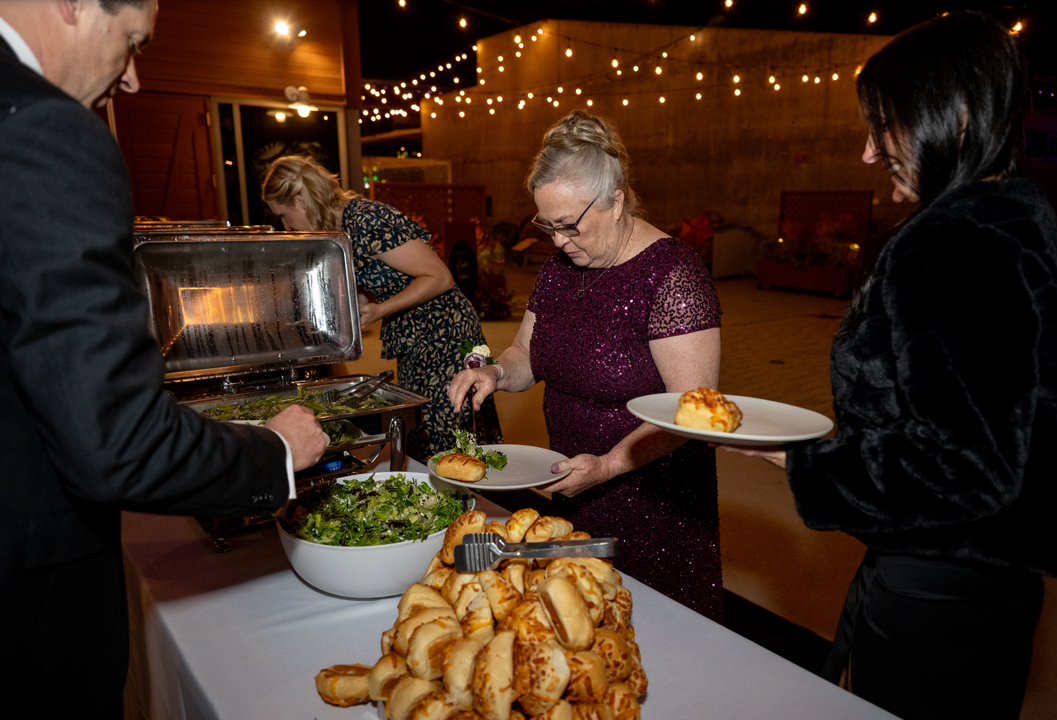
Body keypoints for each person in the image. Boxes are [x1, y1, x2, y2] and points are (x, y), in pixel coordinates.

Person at [728, 12, 1057, 719]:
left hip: (941, 593)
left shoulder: (954, 241)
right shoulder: (1014, 215)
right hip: (989, 581)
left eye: (882, 126)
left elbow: (966, 469)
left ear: (950, 118)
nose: (867, 153)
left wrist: (796, 460)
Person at [0, 1, 328, 717]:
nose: (135, 79)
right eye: (134, 40)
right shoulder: (46, 133)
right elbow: (116, 442)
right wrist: (274, 451)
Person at [448, 111, 725, 622]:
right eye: (546, 225)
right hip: (574, 481)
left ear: (616, 200)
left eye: (569, 224)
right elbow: (528, 355)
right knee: (581, 629)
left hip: (651, 496)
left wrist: (611, 465)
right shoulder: (561, 268)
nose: (556, 241)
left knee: (652, 631)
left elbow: (693, 412)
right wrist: (496, 374)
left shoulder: (673, 277)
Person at [261, 155, 502, 460]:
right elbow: (386, 280)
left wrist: (380, 309)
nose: (285, 225)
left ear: (300, 201)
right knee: (421, 428)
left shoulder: (366, 219)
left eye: (283, 215)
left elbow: (440, 277)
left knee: (447, 433)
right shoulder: (340, 225)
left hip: (445, 331)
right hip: (414, 334)